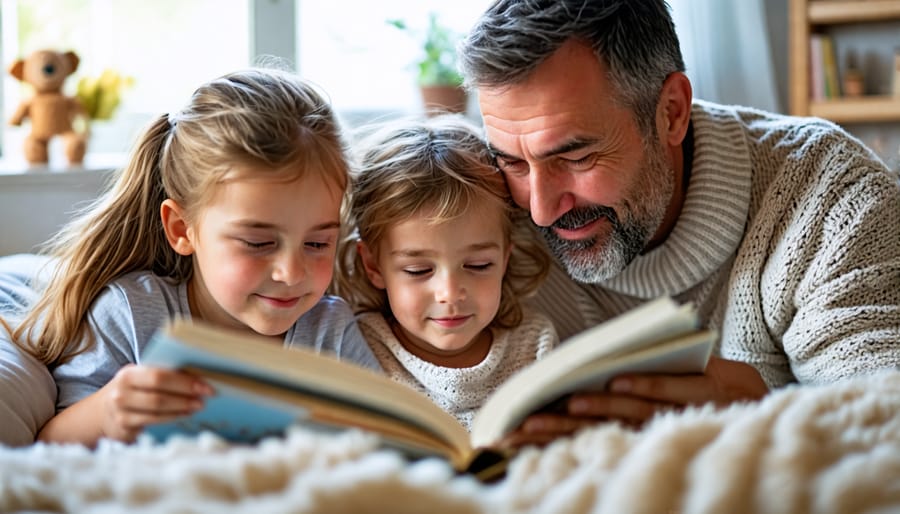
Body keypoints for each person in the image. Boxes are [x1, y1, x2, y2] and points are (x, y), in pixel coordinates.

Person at [458, 0, 900, 444]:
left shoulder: (833, 197)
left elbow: (883, 434)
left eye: (576, 157)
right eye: (512, 163)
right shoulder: (484, 213)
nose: (539, 210)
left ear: (671, 111)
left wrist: (765, 420)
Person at [4, 67, 380, 446]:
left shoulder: (331, 330)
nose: (291, 272)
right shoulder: (131, 315)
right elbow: (49, 445)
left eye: (317, 244)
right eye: (258, 242)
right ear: (182, 230)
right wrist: (106, 413)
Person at [334, 114, 558, 430]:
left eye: (479, 266)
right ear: (373, 265)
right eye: (418, 270)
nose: (450, 293)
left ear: (505, 259)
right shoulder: (356, 346)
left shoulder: (534, 343)